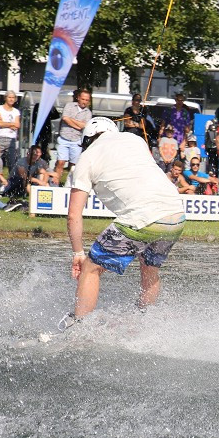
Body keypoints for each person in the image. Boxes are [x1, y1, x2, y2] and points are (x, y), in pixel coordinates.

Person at [65, 117, 186, 324]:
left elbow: (73, 215)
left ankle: (78, 327)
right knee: (149, 267)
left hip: (143, 216)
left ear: (87, 140)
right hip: (176, 214)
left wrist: (78, 253)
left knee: (91, 268)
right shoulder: (134, 139)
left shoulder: (86, 158)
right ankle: (144, 322)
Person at [56, 88, 92, 185]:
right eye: (83, 99)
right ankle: (55, 184)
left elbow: (84, 125)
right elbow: (65, 118)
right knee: (60, 162)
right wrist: (78, 125)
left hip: (76, 141)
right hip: (64, 138)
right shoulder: (69, 106)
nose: (84, 102)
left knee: (73, 165)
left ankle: (70, 184)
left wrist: (71, 120)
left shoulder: (88, 113)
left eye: (87, 100)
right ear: (78, 98)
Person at [0, 90, 21, 170]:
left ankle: (11, 181)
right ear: (5, 98)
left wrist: (5, 124)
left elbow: (17, 125)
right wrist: (11, 124)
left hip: (11, 139)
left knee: (12, 162)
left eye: (13, 98)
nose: (11, 99)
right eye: (9, 97)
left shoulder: (16, 111)